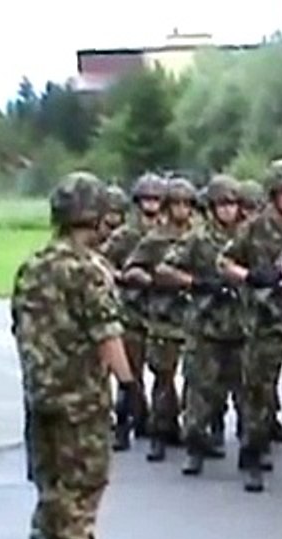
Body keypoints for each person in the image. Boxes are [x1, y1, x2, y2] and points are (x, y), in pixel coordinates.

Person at [12, 171, 136, 539]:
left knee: (51, 484)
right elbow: (107, 334)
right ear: (96, 217)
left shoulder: (32, 267)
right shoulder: (89, 270)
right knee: (83, 483)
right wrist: (127, 385)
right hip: (80, 398)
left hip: (39, 396)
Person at [220, 160, 282, 489]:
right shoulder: (254, 228)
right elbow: (224, 262)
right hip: (265, 321)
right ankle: (253, 455)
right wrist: (249, 276)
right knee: (259, 393)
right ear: (274, 195)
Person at [158, 175, 249, 478]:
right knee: (199, 391)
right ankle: (195, 447)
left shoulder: (247, 237)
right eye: (222, 204)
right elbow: (164, 268)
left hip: (242, 326)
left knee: (248, 395)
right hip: (205, 325)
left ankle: (251, 454)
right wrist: (196, 283)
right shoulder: (198, 238)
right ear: (211, 208)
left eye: (233, 204)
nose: (229, 210)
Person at [121, 178, 198, 462]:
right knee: (163, 378)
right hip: (163, 316)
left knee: (196, 379)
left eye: (187, 204)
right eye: (175, 203)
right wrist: (152, 280)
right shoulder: (154, 240)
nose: (181, 209)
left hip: (195, 317)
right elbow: (131, 269)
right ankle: (158, 431)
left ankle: (191, 429)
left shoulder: (198, 237)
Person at [100, 173, 168, 451]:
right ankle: (125, 424)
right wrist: (123, 277)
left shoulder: (170, 233)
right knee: (131, 372)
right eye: (147, 199)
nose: (151, 205)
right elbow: (102, 261)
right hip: (132, 310)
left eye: (156, 199)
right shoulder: (126, 235)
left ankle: (159, 425)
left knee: (164, 373)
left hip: (164, 311)